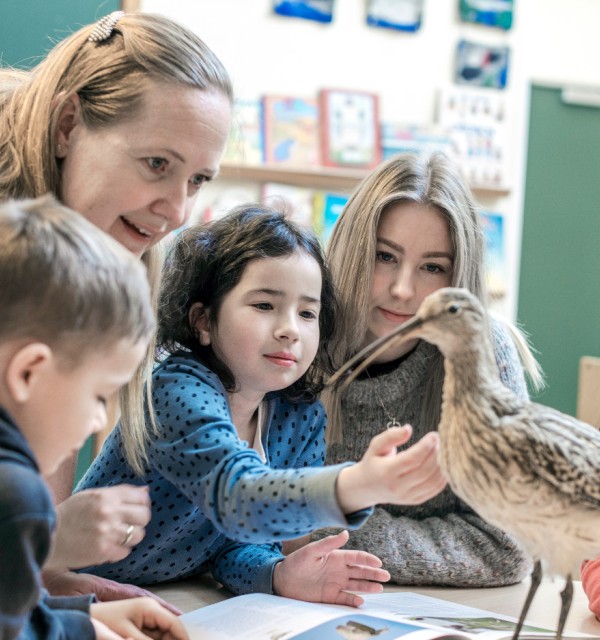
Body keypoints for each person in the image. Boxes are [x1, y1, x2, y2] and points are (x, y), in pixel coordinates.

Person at [75, 204, 447, 605]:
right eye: (265, 305)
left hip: (175, 598)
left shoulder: (300, 418)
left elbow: (234, 547)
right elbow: (239, 498)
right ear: (203, 321)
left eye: (307, 312)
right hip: (70, 591)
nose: (290, 330)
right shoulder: (175, 390)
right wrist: (357, 485)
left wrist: (278, 574)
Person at [0, 10, 233, 603]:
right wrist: (50, 540)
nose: (178, 211)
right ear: (68, 125)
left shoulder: (99, 251)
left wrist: (75, 599)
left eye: (199, 180)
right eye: (157, 164)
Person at [310, 151, 544, 587]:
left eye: (432, 267)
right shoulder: (296, 333)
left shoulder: (483, 352)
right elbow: (242, 508)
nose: (403, 290)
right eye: (384, 256)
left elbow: (509, 545)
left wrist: (327, 531)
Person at [0, 195, 189, 640]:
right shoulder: (17, 495)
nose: (95, 421)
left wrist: (86, 620)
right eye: (98, 395)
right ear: (29, 372)